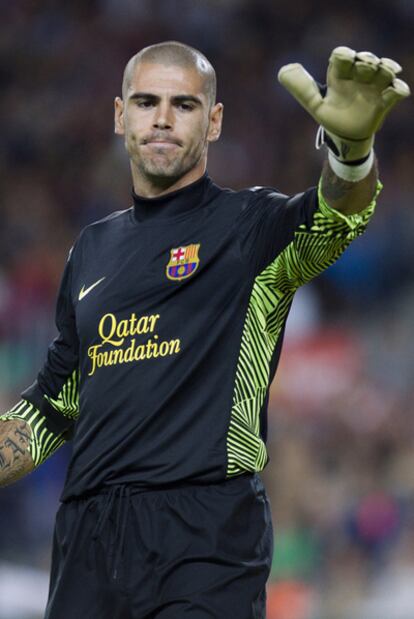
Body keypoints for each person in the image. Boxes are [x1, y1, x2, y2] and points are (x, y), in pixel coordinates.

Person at [0, 41, 409, 619]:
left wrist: (351, 154)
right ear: (121, 116)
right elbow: (52, 406)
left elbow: (335, 218)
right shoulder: (89, 250)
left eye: (184, 105)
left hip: (205, 534)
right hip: (88, 541)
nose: (162, 117)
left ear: (213, 121)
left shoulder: (251, 227)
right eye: (145, 102)